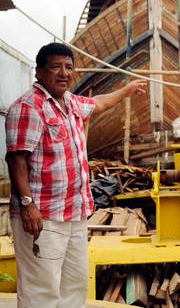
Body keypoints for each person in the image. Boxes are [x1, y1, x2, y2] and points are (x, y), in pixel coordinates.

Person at [5, 43, 147, 307]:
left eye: (68, 67)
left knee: (74, 285)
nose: (63, 73)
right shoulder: (28, 107)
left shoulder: (70, 103)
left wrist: (127, 90)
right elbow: (16, 159)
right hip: (43, 216)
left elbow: (100, 103)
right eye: (55, 66)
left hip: (74, 214)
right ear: (39, 71)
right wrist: (27, 205)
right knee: (41, 290)